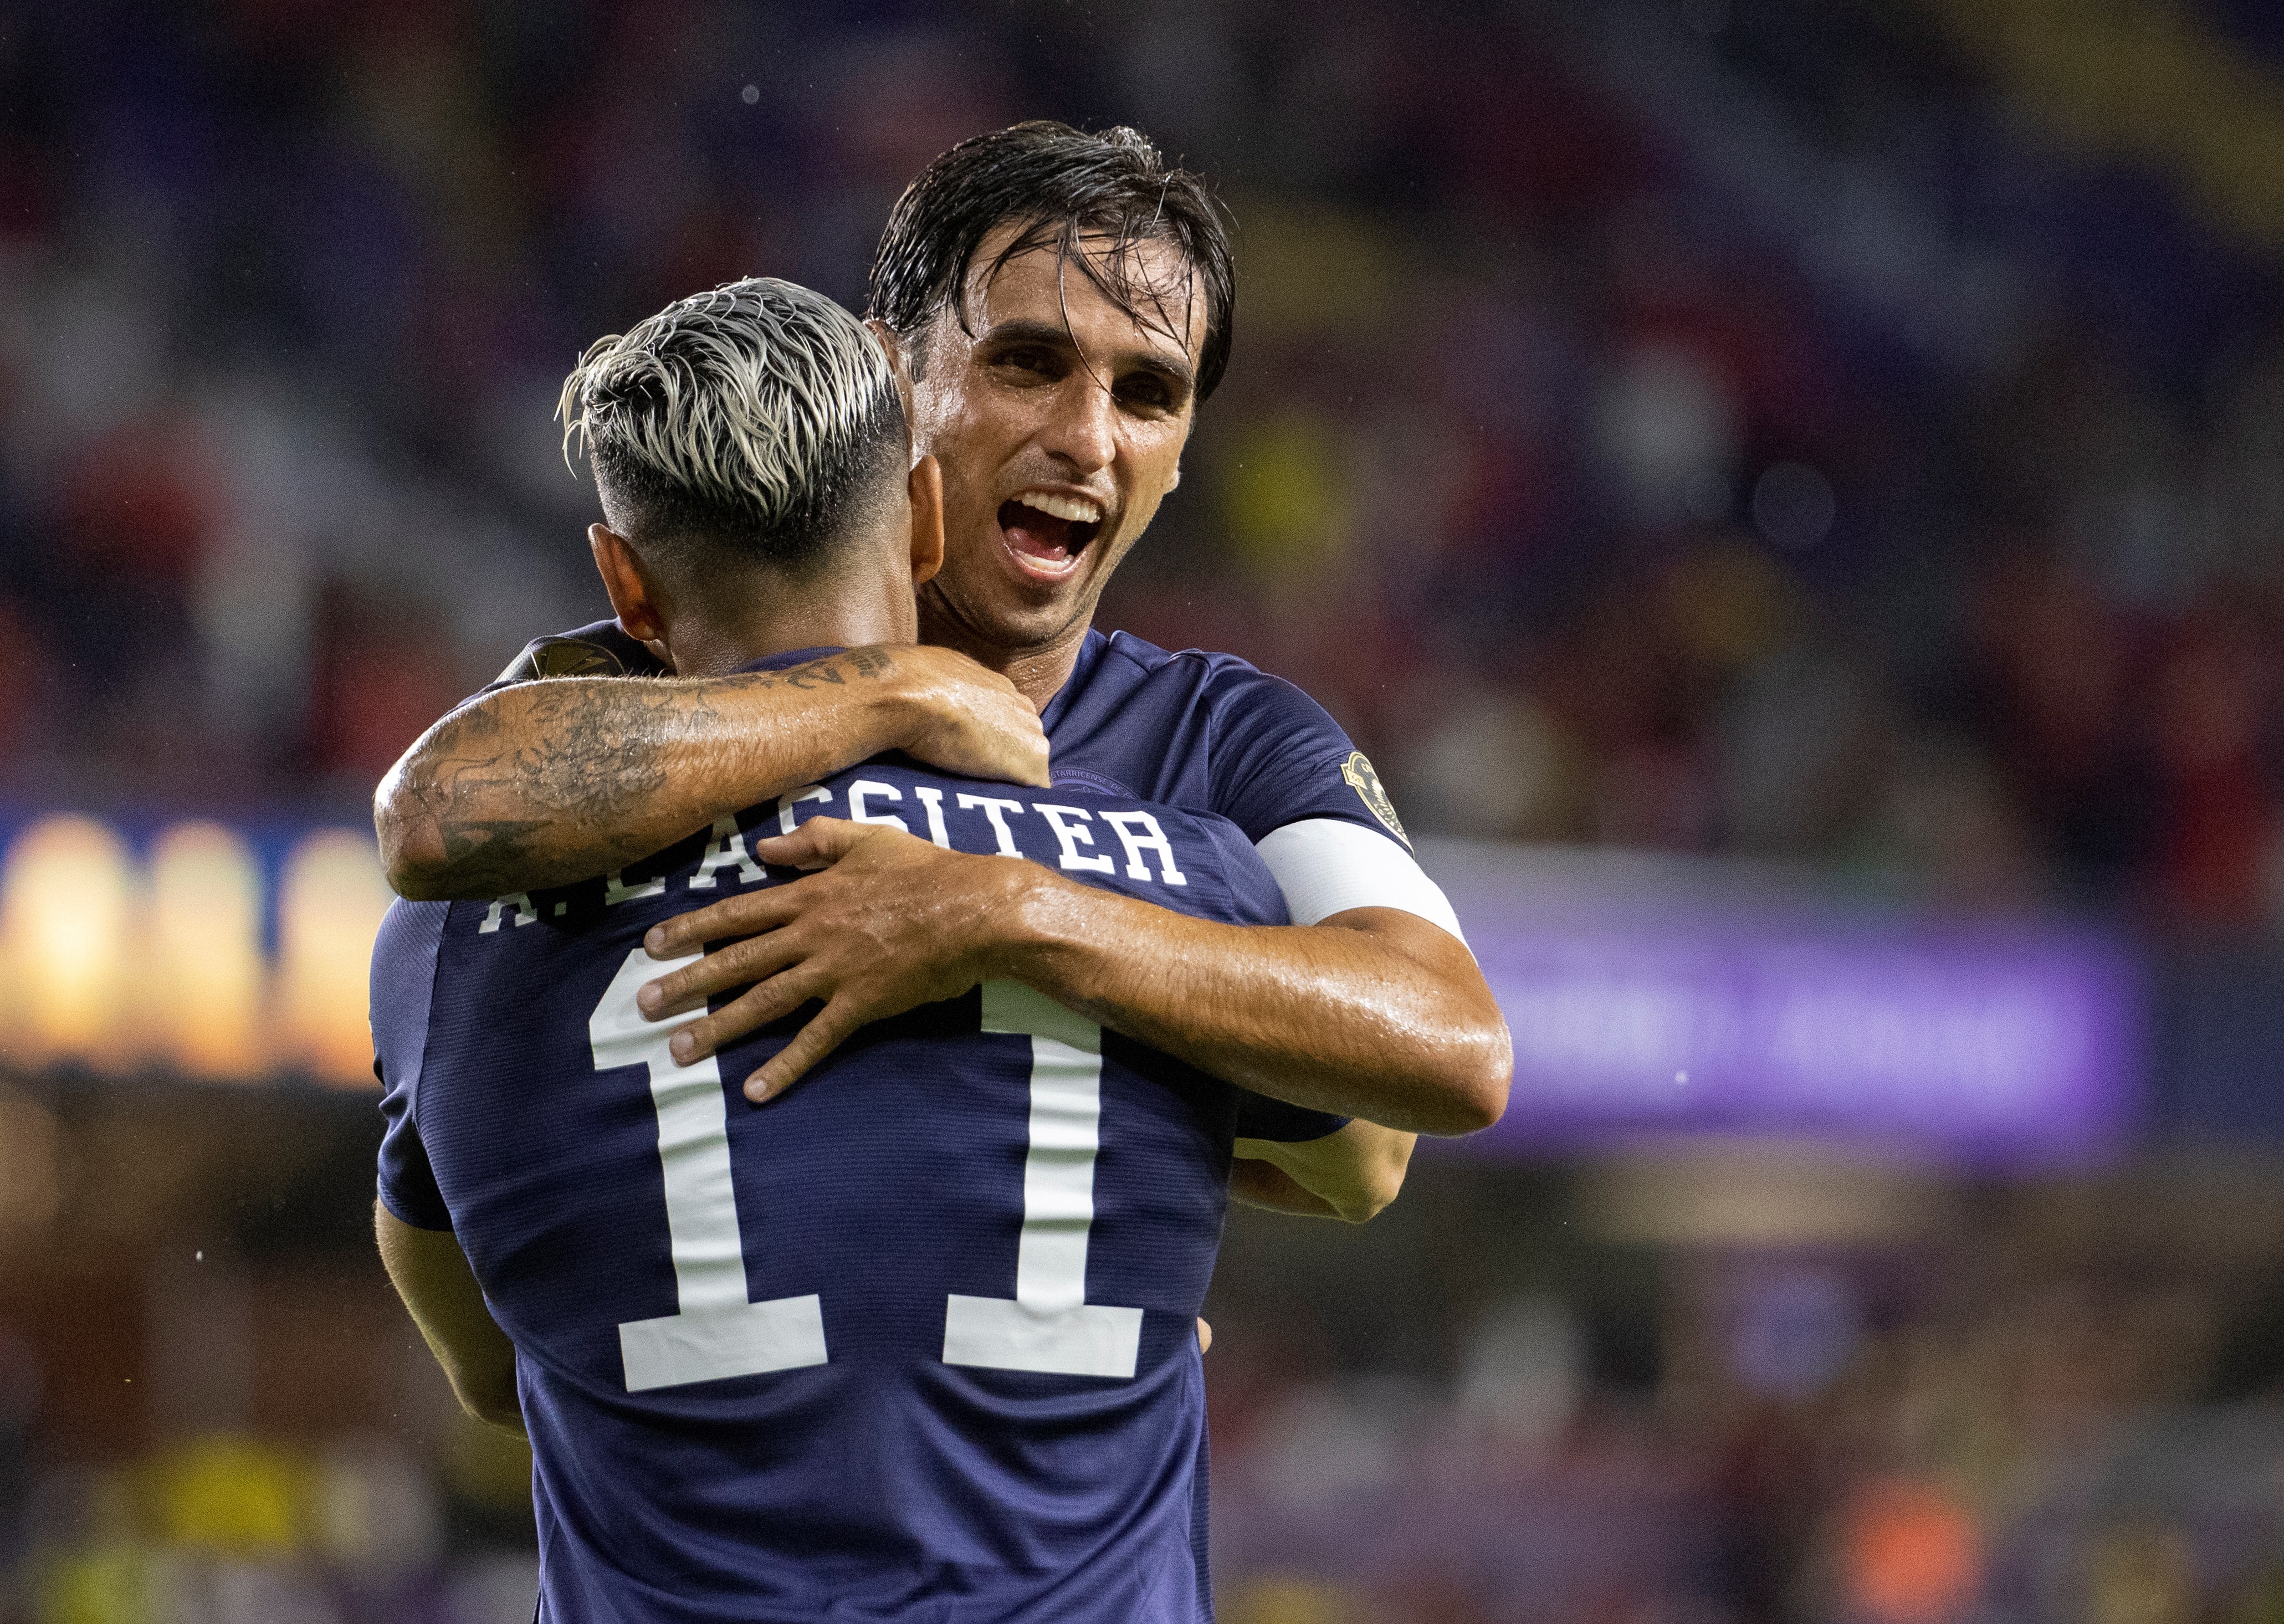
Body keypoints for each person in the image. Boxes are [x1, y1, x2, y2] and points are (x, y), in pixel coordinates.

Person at [373, 276, 1414, 1621]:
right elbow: (1361, 1153)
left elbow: (491, 1371)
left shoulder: (453, 941)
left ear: (625, 585)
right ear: (925, 516)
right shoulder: (1180, 869)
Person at [372, 122, 1511, 1155]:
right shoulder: (692, 662)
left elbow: (1441, 1056)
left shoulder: (1227, 740)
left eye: (1148, 394)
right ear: (893, 378)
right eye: (1029, 363)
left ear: (1181, 455)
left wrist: (1004, 914)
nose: (1087, 437)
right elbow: (441, 810)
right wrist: (892, 694)